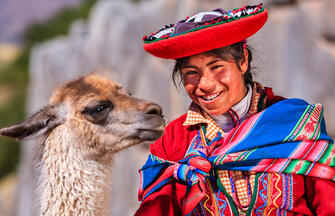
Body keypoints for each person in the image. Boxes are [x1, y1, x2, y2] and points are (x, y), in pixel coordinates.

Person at [135, 4, 335, 216]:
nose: (205, 84)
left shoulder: (294, 123)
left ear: (243, 61)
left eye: (216, 67)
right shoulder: (173, 141)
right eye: (192, 72)